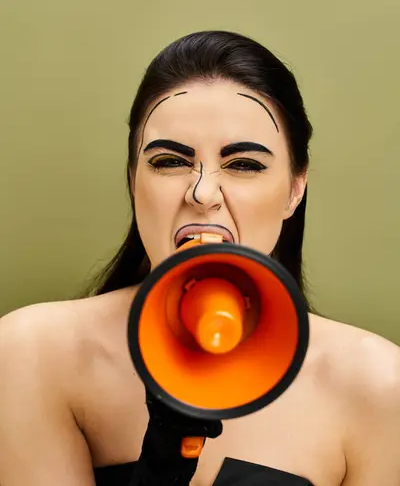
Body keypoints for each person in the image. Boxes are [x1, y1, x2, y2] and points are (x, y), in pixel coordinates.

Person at [0, 30, 399, 486]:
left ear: (295, 188)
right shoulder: (32, 355)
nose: (202, 192)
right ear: (133, 180)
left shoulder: (377, 384)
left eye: (245, 164)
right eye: (169, 161)